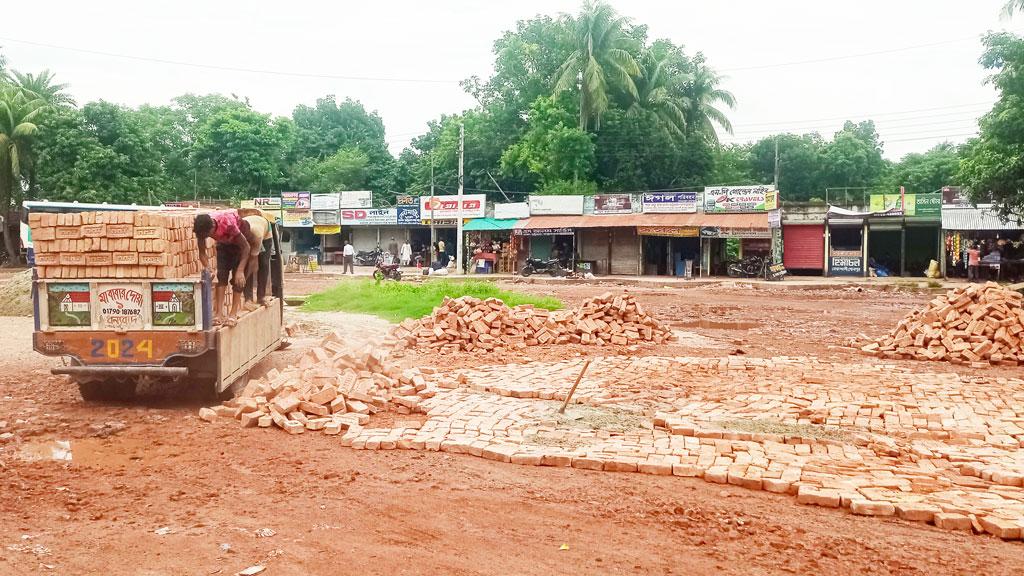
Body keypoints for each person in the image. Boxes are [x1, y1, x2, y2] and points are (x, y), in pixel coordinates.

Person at [194, 210, 253, 326]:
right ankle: (218, 313)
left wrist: (240, 271)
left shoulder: (228, 224)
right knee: (221, 276)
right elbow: (202, 252)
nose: (207, 237)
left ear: (212, 227)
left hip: (241, 243)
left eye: (208, 234)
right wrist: (208, 268)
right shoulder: (202, 229)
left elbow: (246, 247)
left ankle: (233, 313)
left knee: (238, 280)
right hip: (224, 243)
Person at [241, 211, 274, 309]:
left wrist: (246, 273)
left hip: (265, 234)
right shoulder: (239, 232)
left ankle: (261, 297)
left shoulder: (258, 234)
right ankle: (248, 298)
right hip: (250, 228)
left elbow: (253, 261)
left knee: (263, 264)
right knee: (246, 265)